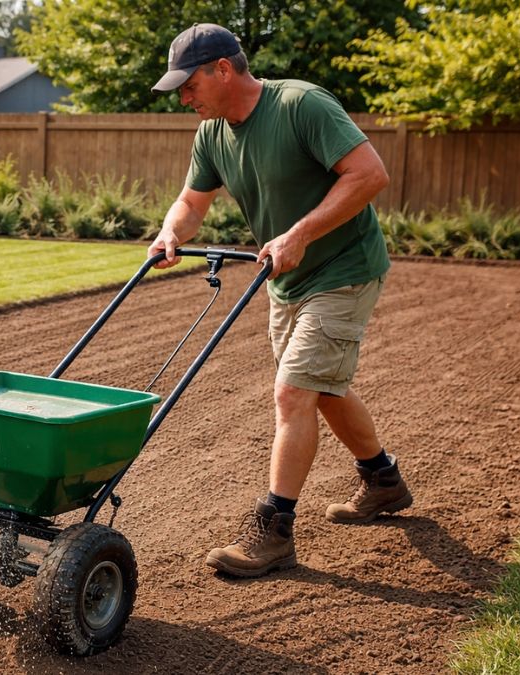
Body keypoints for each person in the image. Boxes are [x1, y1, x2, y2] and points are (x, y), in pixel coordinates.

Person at [147, 23, 413, 578]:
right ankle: (383, 480)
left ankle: (273, 531)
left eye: (189, 84)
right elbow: (191, 203)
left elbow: (369, 174)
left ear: (224, 69)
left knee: (294, 392)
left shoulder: (302, 106)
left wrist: (300, 234)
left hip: (344, 269)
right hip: (285, 278)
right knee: (322, 387)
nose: (184, 97)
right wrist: (173, 232)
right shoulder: (213, 134)